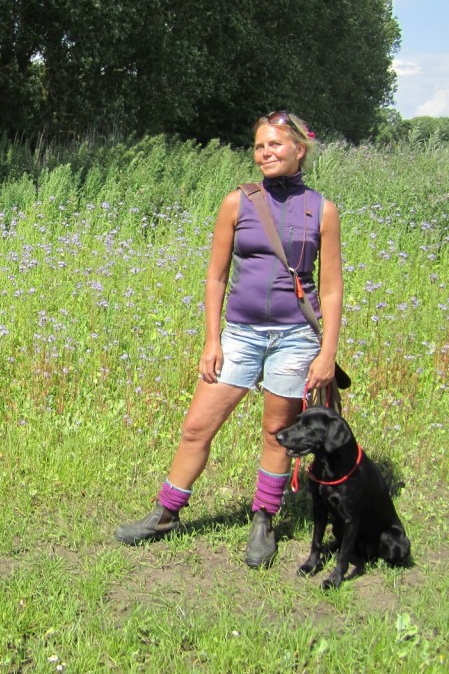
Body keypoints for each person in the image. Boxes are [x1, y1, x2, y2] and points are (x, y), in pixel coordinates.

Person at [114, 111, 343, 568]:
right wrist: (211, 340)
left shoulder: (322, 209)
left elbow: (333, 288)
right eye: (260, 146)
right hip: (240, 334)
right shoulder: (237, 202)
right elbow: (216, 277)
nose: (266, 153)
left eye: (276, 145)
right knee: (197, 426)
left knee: (278, 434)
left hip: (295, 337)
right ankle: (166, 513)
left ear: (300, 150)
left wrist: (328, 353)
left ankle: (263, 519)